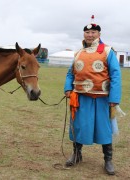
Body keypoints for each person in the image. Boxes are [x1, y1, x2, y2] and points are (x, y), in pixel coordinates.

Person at [64, 15, 121, 175]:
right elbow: (70, 73)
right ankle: (76, 154)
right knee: (79, 126)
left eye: (93, 32)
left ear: (99, 34)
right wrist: (68, 88)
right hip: (81, 96)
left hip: (102, 98)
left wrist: (114, 98)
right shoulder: (79, 53)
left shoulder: (108, 51)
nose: (90, 34)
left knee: (104, 128)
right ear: (84, 35)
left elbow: (116, 75)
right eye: (87, 32)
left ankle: (108, 160)